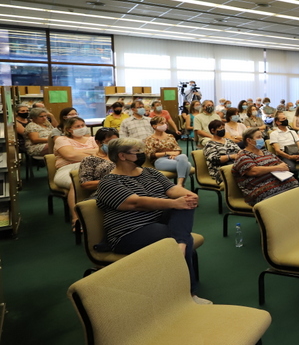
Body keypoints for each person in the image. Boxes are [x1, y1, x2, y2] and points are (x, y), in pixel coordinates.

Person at [96, 138, 209, 304]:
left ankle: (181, 246)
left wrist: (188, 195)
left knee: (186, 205)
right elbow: (135, 202)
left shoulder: (150, 172)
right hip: (130, 230)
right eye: (137, 152)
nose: (142, 155)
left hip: (158, 220)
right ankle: (189, 294)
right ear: (122, 156)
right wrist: (174, 203)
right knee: (177, 236)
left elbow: (172, 189)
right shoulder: (108, 182)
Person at [232, 128, 299, 205]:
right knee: (291, 199)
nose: (262, 139)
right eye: (258, 137)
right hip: (261, 190)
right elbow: (254, 171)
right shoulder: (243, 156)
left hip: (282, 184)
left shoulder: (267, 153)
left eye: (262, 137)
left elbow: (284, 165)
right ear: (249, 140)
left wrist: (282, 167)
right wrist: (277, 168)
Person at [53, 117, 99, 229]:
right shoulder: (61, 140)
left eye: (83, 125)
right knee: (76, 182)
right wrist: (92, 153)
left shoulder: (92, 139)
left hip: (92, 168)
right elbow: (70, 155)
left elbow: (101, 154)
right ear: (69, 129)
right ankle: (76, 219)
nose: (81, 128)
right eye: (77, 126)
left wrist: (78, 152)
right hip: (67, 169)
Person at [144, 117, 191, 188]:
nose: (165, 125)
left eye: (165, 123)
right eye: (162, 123)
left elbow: (177, 148)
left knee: (183, 156)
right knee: (187, 164)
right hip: (159, 160)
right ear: (154, 126)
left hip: (174, 158)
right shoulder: (150, 139)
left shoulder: (170, 136)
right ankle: (181, 185)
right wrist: (167, 153)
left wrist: (175, 154)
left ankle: (179, 185)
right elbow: (150, 155)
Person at [269, 111, 299, 188]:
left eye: (286, 118)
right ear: (277, 122)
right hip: (285, 155)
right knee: (291, 168)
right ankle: (298, 184)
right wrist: (290, 157)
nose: (286, 120)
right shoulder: (274, 134)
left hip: (297, 153)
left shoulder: (292, 132)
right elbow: (277, 150)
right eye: (283, 119)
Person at [78, 127, 119, 199]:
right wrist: (111, 182)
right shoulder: (90, 160)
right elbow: (85, 184)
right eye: (109, 142)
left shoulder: (122, 157)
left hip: (127, 189)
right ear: (98, 142)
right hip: (104, 193)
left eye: (116, 142)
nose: (113, 145)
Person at [202, 119, 242, 183]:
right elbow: (214, 159)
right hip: (220, 171)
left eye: (223, 128)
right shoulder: (209, 145)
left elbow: (239, 151)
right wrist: (231, 156)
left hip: (234, 166)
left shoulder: (228, 141)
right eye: (220, 128)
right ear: (212, 130)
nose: (223, 130)